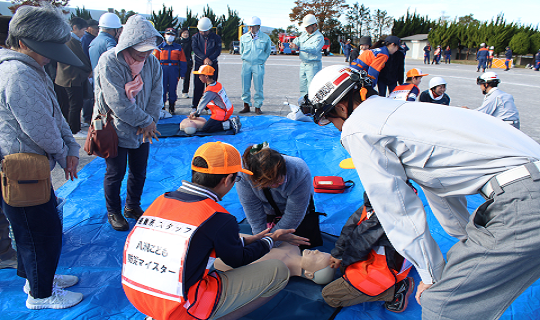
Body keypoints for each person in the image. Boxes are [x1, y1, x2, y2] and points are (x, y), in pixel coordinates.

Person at [305, 64, 540, 320]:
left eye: (329, 118)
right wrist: (464, 242)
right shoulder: (409, 112)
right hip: (526, 187)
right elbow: (440, 187)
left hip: (524, 201)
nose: (335, 126)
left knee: (443, 307)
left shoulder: (359, 127)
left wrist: (429, 275)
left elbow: (398, 211)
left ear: (341, 107)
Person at [122, 141, 309, 320]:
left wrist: (253, 240)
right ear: (229, 179)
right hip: (181, 307)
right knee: (278, 271)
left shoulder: (160, 200)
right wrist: (270, 239)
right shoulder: (218, 217)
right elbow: (238, 259)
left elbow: (207, 243)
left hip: (138, 298)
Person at [0, 5, 84, 309]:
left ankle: (37, 278)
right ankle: (41, 294)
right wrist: (64, 154)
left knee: (33, 230)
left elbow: (55, 115)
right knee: (39, 233)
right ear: (23, 43)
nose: (50, 55)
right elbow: (39, 128)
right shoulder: (17, 72)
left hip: (32, 170)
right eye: (44, 48)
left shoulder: (30, 68)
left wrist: (70, 148)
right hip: (22, 171)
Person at [93, 15, 163, 231]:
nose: (146, 53)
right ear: (128, 43)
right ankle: (113, 210)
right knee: (115, 172)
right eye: (141, 49)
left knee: (139, 170)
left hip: (143, 128)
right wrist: (145, 120)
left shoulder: (152, 62)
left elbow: (156, 93)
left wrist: (149, 121)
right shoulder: (109, 61)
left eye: (149, 49)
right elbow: (117, 101)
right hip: (116, 127)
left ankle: (132, 206)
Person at [322, 191, 414, 312]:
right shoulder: (383, 197)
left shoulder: (386, 212)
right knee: (345, 268)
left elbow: (359, 243)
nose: (310, 251)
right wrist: (339, 253)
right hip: (385, 256)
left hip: (384, 269)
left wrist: (342, 258)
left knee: (329, 296)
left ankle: (394, 290)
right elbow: (353, 223)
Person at [236, 143, 314, 246]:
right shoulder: (245, 173)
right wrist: (261, 237)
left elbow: (294, 213)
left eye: (278, 182)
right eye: (268, 183)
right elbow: (251, 207)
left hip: (297, 211)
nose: (275, 186)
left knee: (302, 242)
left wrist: (271, 240)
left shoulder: (298, 171)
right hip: (269, 209)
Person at [215, 243, 335, 286]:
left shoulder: (276, 271)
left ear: (309, 274)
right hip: (230, 239)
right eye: (321, 251)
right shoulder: (293, 246)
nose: (316, 251)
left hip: (215, 254)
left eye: (318, 257)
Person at [55, 17, 92, 137]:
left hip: (68, 77)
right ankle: (74, 129)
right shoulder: (71, 41)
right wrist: (90, 70)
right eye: (82, 30)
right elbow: (81, 60)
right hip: (71, 77)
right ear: (75, 28)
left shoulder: (71, 40)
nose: (83, 33)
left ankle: (73, 126)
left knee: (71, 104)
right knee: (75, 104)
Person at [189, 65, 241, 134]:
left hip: (222, 112)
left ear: (206, 76)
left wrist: (196, 114)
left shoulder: (210, 91)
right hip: (227, 109)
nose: (199, 77)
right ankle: (227, 121)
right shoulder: (217, 84)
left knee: (206, 129)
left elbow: (203, 103)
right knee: (210, 125)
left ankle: (229, 124)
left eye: (200, 75)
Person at [239, 16, 271, 115]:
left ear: (258, 26)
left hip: (258, 65)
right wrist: (245, 58)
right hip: (246, 64)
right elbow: (241, 50)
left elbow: (267, 51)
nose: (251, 29)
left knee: (258, 86)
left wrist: (261, 60)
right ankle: (246, 105)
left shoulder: (265, 38)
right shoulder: (244, 37)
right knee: (245, 86)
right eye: (250, 27)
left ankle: (258, 106)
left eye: (254, 27)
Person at [289, 14, 324, 98]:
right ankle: (303, 106)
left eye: (308, 27)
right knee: (303, 87)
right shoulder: (304, 35)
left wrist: (299, 47)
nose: (306, 29)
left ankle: (312, 107)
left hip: (313, 65)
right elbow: (296, 41)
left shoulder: (319, 37)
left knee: (312, 87)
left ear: (314, 25)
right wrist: (290, 45)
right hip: (303, 64)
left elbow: (314, 49)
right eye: (305, 27)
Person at [153, 27, 187, 114]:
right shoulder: (159, 47)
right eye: (168, 34)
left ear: (175, 36)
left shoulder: (178, 48)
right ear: (164, 35)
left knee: (172, 89)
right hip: (162, 69)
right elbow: (154, 61)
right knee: (162, 89)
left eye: (172, 34)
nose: (170, 36)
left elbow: (183, 61)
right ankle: (162, 107)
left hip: (173, 69)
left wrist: (183, 73)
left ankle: (172, 107)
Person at [191, 17, 222, 110]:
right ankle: (195, 105)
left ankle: (209, 107)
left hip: (212, 64)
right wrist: (204, 58)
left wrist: (210, 59)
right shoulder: (195, 37)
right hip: (199, 65)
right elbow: (195, 49)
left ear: (209, 29)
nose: (203, 33)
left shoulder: (216, 38)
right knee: (198, 85)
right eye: (201, 31)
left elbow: (218, 50)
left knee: (211, 87)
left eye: (205, 31)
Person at [176, 27, 192, 99]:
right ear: (181, 34)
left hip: (187, 62)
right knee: (175, 78)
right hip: (178, 62)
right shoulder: (177, 41)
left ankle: (185, 92)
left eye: (187, 33)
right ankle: (173, 91)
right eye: (184, 33)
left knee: (187, 78)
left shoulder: (191, 41)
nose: (185, 34)